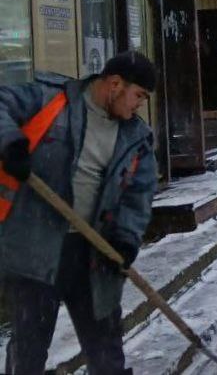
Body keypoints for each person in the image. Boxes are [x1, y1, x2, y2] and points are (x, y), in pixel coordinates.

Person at [0, 51, 158, 374]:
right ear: (115, 84)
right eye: (138, 95)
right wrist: (9, 143)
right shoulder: (51, 101)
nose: (139, 105)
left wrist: (125, 240)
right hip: (37, 250)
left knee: (107, 357)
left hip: (93, 257)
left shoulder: (136, 138)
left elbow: (138, 196)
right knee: (28, 354)